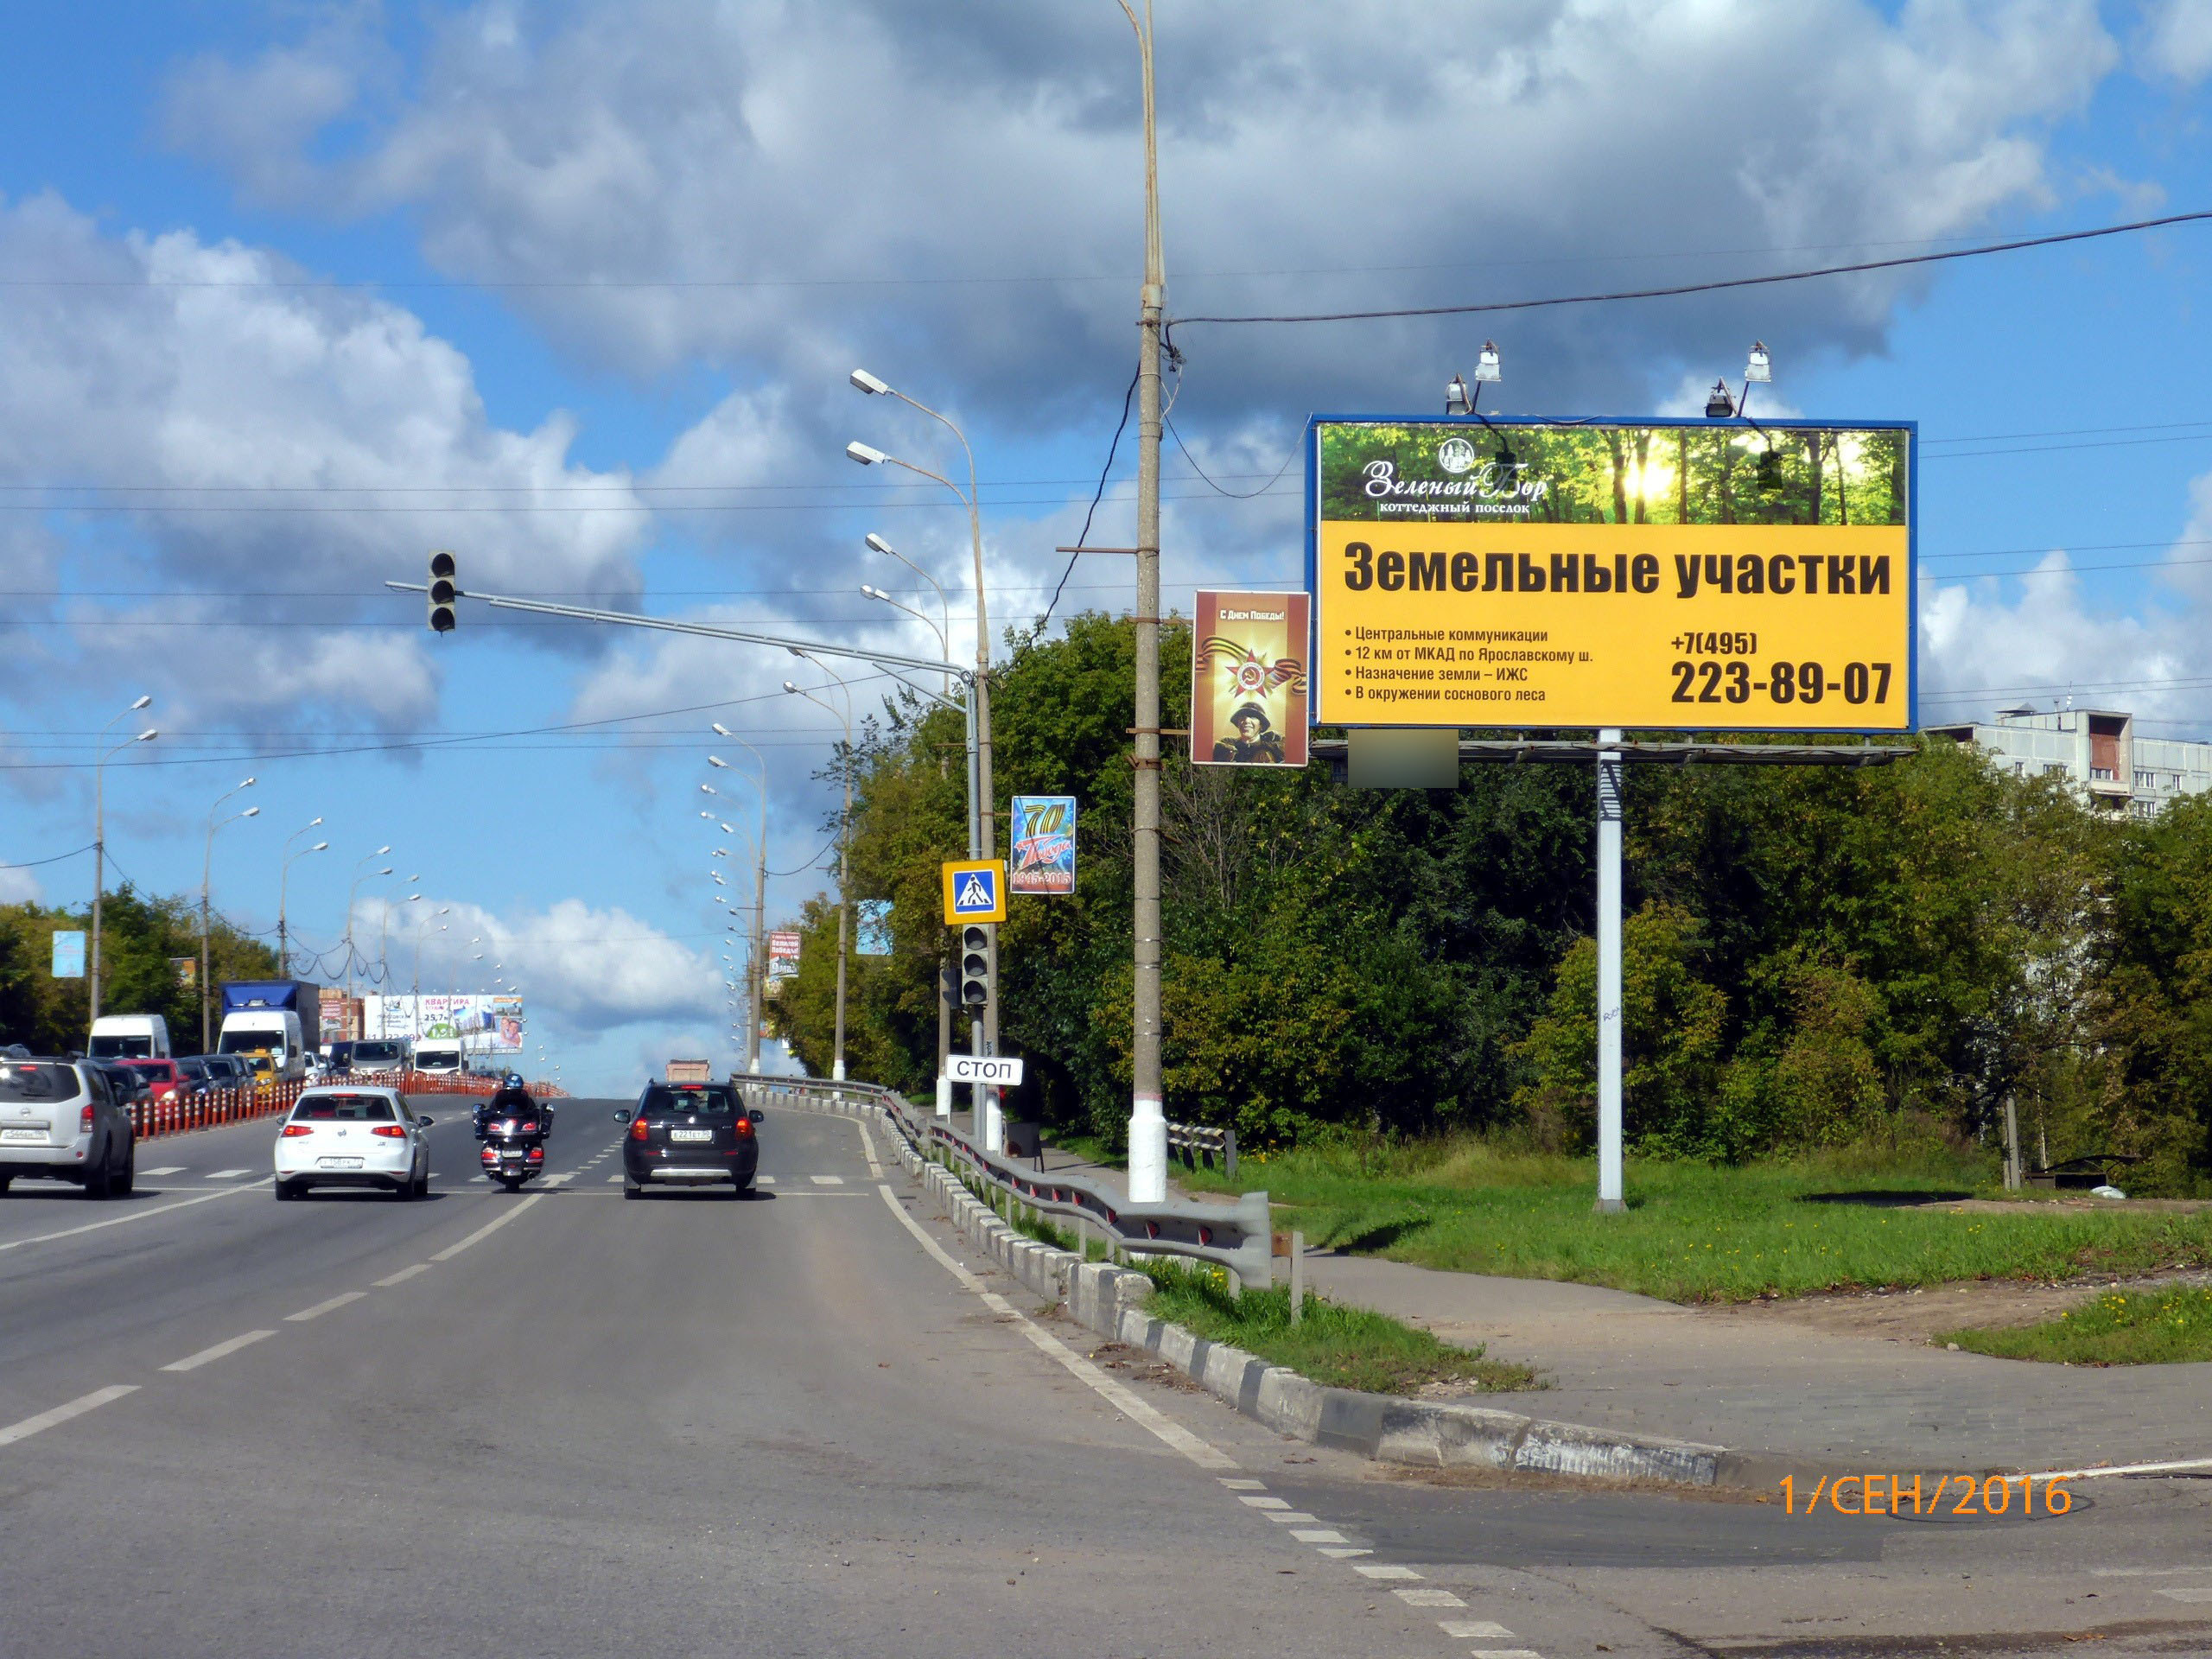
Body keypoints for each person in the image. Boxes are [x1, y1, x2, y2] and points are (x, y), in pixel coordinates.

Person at [1211, 702, 1286, 765]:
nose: (1246, 721)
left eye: (1253, 717)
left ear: (1261, 725)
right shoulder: (1227, 747)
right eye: (1242, 717)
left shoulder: (1275, 747)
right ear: (1238, 724)